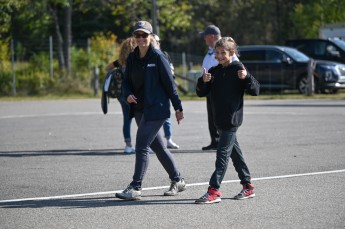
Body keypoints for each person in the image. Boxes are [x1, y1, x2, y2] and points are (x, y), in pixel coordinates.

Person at [115, 20, 186, 201]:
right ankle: (177, 180)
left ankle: (136, 187)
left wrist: (178, 107)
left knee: (141, 145)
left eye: (144, 35)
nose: (141, 38)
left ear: (151, 37)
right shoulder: (132, 57)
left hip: (157, 109)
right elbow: (126, 82)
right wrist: (128, 94)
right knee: (159, 148)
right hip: (139, 108)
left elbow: (170, 84)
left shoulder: (158, 56)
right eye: (137, 35)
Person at [195, 37, 260, 204]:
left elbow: (255, 90)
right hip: (219, 120)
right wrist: (203, 81)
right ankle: (248, 186)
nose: (219, 56)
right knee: (235, 154)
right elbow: (201, 92)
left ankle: (214, 190)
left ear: (231, 53)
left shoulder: (238, 69)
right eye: (217, 53)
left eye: (223, 53)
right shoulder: (214, 71)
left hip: (231, 120)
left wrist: (246, 77)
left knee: (222, 154)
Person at [199, 25, 240, 151]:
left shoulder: (225, 49)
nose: (204, 39)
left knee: (222, 117)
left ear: (211, 37)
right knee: (212, 117)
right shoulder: (211, 50)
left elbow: (235, 66)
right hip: (210, 89)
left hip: (221, 90)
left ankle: (223, 142)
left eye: (205, 37)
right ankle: (215, 141)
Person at [106, 38, 137, 154]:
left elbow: (108, 67)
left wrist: (115, 73)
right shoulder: (135, 60)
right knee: (141, 119)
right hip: (133, 93)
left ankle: (128, 145)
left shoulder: (120, 61)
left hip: (121, 93)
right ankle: (144, 144)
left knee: (127, 119)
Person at [152, 33, 179, 149]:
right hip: (152, 92)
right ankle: (151, 142)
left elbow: (171, 70)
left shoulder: (164, 55)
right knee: (151, 118)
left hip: (164, 91)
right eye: (154, 41)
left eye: (158, 41)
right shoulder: (146, 56)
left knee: (166, 116)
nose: (157, 43)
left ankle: (169, 139)